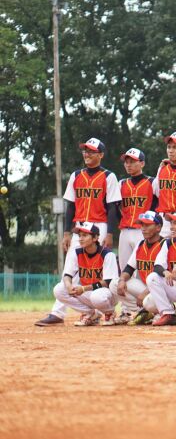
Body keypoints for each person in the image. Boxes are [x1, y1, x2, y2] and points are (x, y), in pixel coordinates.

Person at [36, 138, 121, 327]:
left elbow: (113, 207)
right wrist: (67, 232)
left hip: (100, 225)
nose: (87, 154)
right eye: (85, 151)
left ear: (101, 155)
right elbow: (71, 206)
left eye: (91, 151)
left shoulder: (109, 176)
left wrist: (110, 234)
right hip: (80, 228)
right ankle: (60, 313)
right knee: (71, 269)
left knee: (101, 265)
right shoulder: (76, 175)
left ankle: (105, 309)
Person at [51, 222, 119, 327]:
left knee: (97, 296)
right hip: (88, 292)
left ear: (95, 238)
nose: (81, 239)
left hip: (107, 294)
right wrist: (69, 286)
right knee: (59, 289)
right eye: (80, 235)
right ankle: (91, 314)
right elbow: (67, 275)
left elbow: (108, 282)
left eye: (85, 235)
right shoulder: (77, 253)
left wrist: (83, 289)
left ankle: (109, 312)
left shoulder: (107, 254)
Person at [111, 211, 163, 325]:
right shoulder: (140, 244)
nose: (143, 228)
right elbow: (128, 269)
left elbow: (161, 277)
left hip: (161, 289)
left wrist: (145, 293)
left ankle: (163, 311)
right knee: (114, 284)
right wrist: (122, 280)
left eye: (148, 225)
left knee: (149, 300)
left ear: (158, 227)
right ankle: (144, 312)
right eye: (142, 225)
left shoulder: (165, 244)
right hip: (146, 288)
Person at [117, 148, 157, 286]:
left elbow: (157, 206)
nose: (128, 165)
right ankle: (129, 306)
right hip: (125, 230)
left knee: (143, 269)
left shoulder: (152, 182)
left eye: (133, 162)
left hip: (143, 230)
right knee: (124, 269)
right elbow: (115, 207)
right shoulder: (121, 183)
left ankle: (146, 302)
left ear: (142, 163)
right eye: (126, 162)